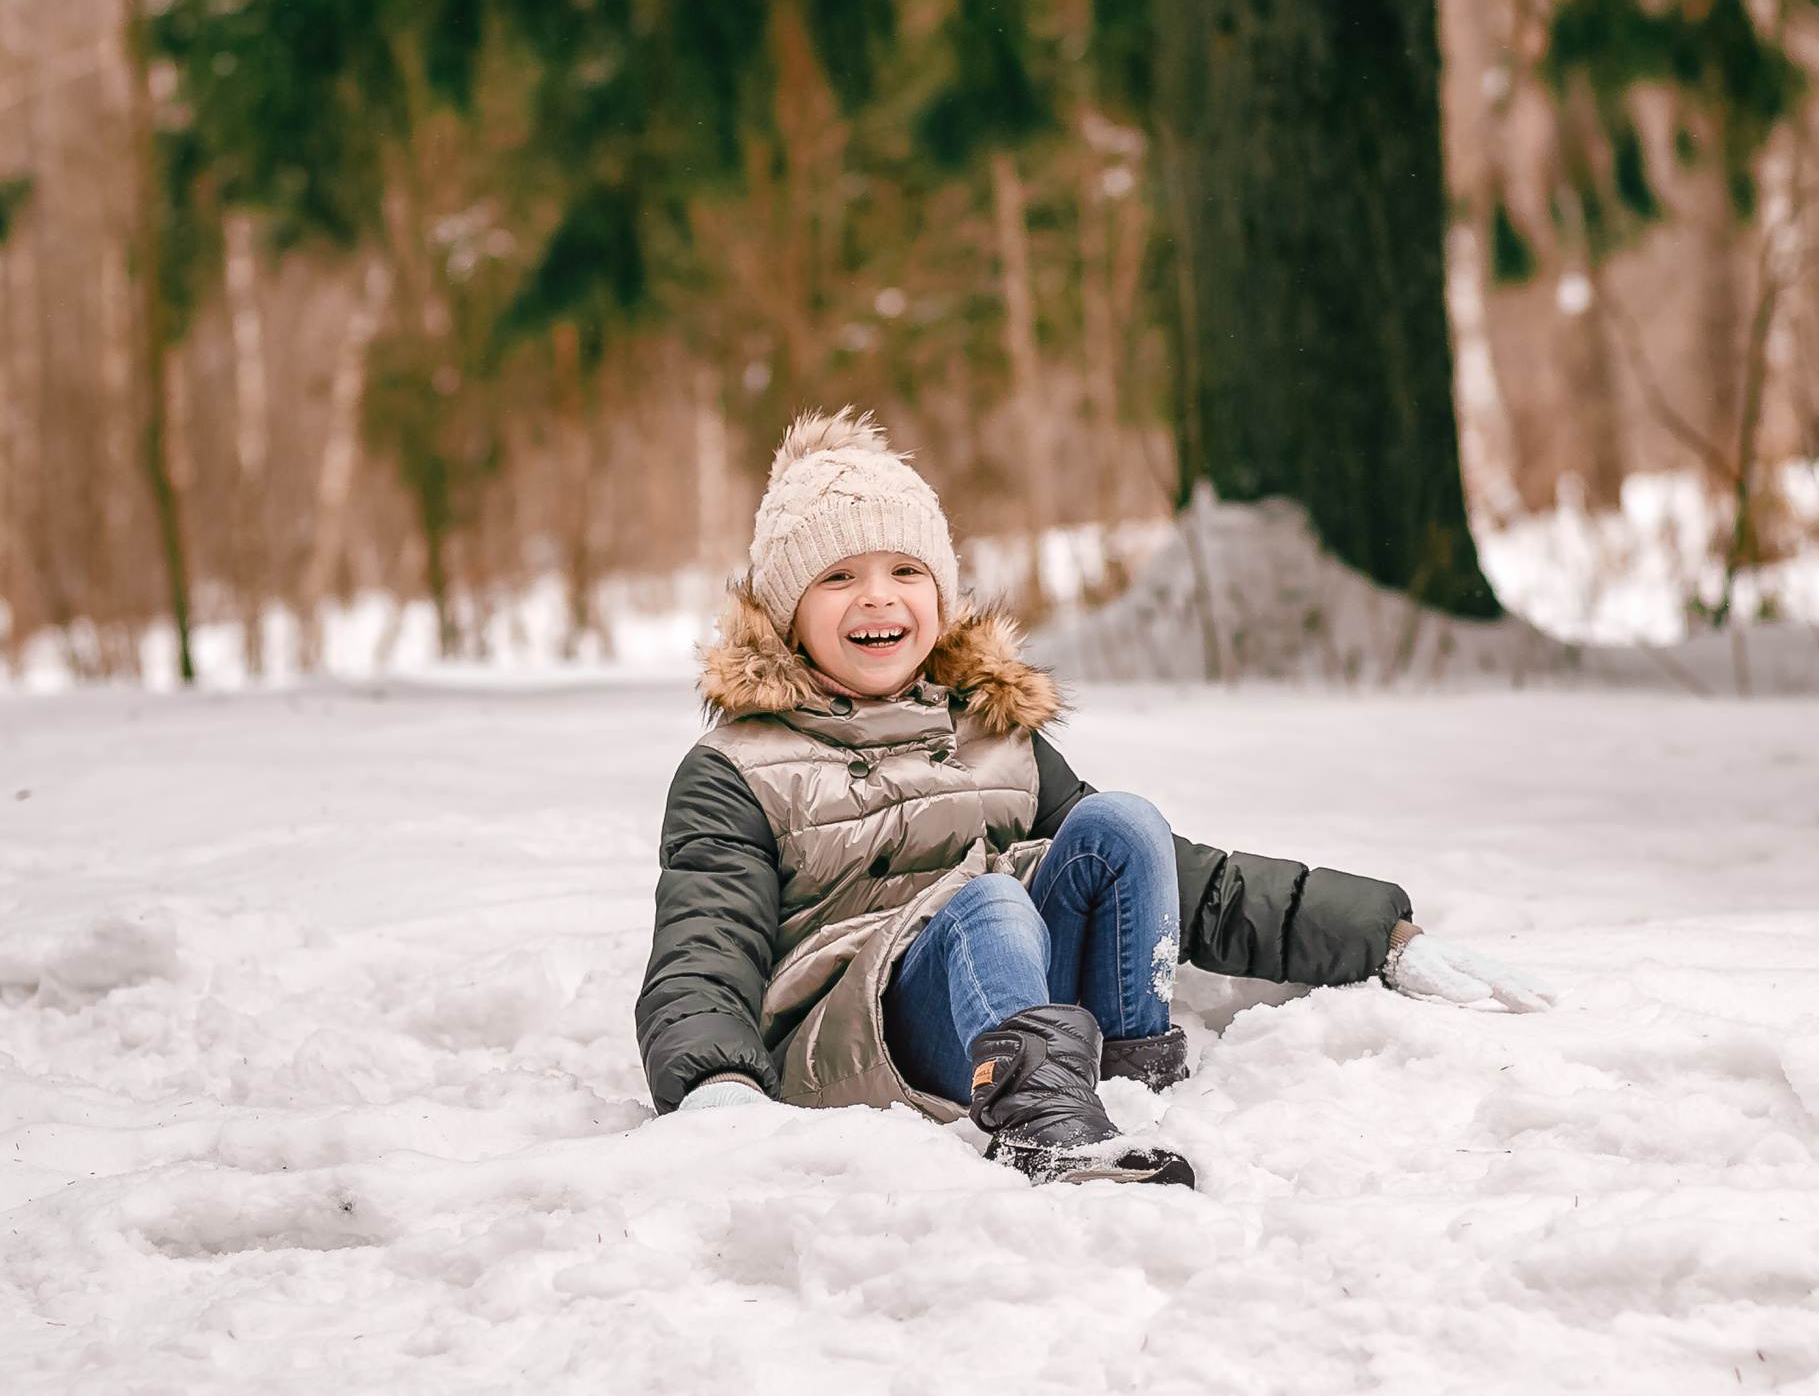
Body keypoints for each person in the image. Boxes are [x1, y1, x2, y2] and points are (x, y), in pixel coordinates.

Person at [635, 409, 1551, 1187]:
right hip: (864, 1041)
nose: (878, 599)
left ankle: (1123, 1079)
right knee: (989, 902)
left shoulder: (991, 730)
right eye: (839, 577)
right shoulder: (740, 767)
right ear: (787, 610)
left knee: (1122, 826)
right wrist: (714, 1080)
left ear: (940, 594)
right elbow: (704, 948)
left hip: (1021, 1013)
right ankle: (1045, 1125)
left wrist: (1382, 936)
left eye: (905, 572)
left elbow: (1191, 880)